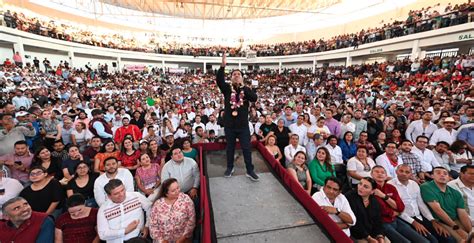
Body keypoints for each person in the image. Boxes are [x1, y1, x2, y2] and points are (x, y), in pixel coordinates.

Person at [217, 52, 259, 181]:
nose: (236, 76)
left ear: (241, 77)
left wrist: (243, 87)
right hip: (229, 125)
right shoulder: (227, 89)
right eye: (234, 74)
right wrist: (222, 67)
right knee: (230, 148)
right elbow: (219, 81)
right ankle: (230, 167)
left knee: (246, 148)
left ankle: (250, 170)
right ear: (231, 77)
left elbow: (254, 98)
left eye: (238, 74)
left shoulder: (245, 90)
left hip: (243, 126)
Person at [389, 164, 454, 243]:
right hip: (404, 219)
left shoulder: (414, 184)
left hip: (419, 217)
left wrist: (432, 220)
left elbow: (421, 204)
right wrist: (413, 222)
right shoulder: (390, 185)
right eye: (401, 171)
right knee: (432, 241)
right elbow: (395, 208)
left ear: (411, 174)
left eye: (407, 172)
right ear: (396, 172)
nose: (404, 174)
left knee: (447, 238)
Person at [371, 165, 429, 243]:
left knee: (425, 242)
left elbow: (401, 207)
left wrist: (384, 196)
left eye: (382, 172)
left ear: (386, 176)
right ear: (371, 174)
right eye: (377, 172)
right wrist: (393, 211)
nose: (380, 174)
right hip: (382, 222)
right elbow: (382, 209)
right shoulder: (370, 188)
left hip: (395, 219)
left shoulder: (391, 187)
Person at [421, 166, 472, 242]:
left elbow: (463, 214)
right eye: (438, 173)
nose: (442, 175)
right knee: (463, 240)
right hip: (439, 221)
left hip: (455, 219)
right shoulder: (426, 187)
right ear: (432, 176)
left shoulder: (456, 193)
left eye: (445, 174)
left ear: (449, 178)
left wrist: (471, 232)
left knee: (471, 236)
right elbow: (438, 211)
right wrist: (456, 228)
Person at [149, 178, 196, 243]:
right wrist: (161, 240)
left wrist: (183, 238)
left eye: (178, 188)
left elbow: (191, 220)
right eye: (173, 190)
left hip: (183, 239)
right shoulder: (158, 204)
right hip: (163, 240)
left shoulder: (186, 200)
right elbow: (152, 225)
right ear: (166, 193)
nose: (177, 191)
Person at [345, 177, 386, 242]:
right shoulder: (349, 196)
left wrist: (380, 236)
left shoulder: (374, 201)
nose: (361, 187)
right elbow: (354, 222)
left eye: (365, 187)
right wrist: (368, 238)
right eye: (360, 184)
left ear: (372, 191)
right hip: (357, 234)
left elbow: (378, 221)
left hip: (373, 233)